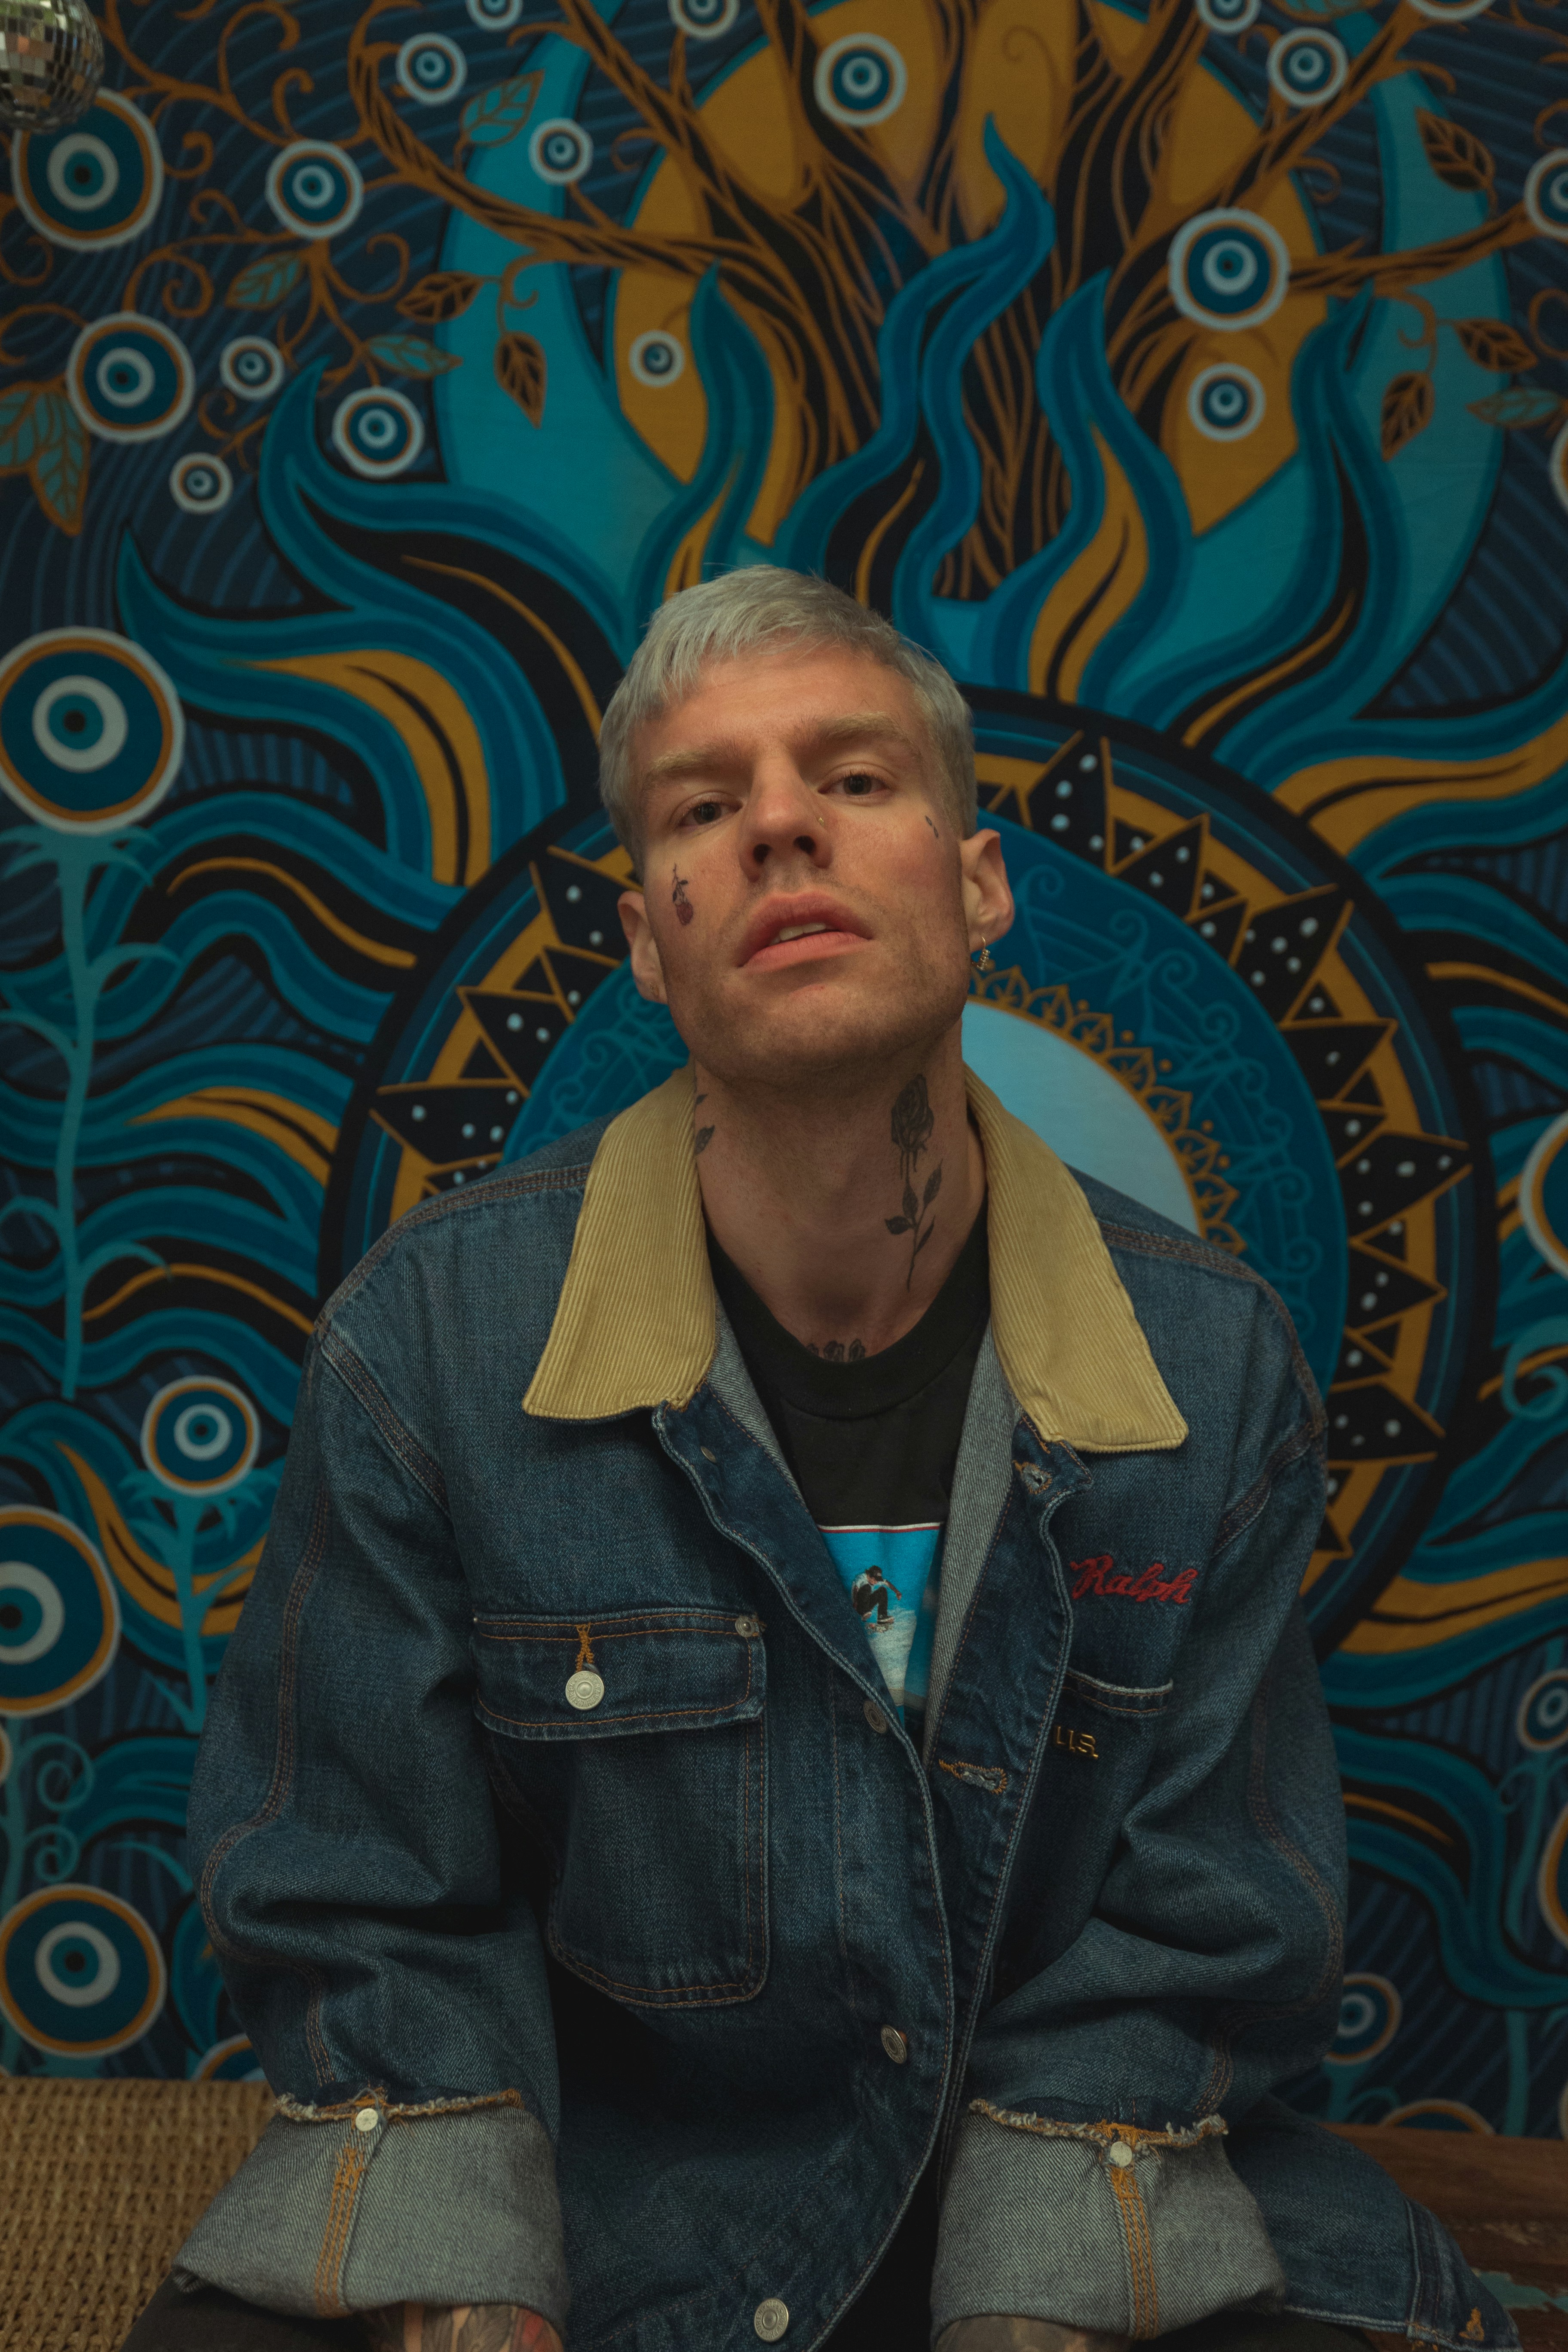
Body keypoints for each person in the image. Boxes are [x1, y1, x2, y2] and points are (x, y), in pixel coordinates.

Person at [128, 570, 1514, 2352]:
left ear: (978, 883)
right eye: (704, 807)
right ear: (649, 941)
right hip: (615, 2210)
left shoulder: (1211, 1363)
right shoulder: (430, 1343)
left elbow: (1213, 1911)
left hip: (1076, 2176)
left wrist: (1033, 2302)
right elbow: (356, 1891)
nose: (781, 825)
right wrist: (468, 2284)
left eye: (854, 780)